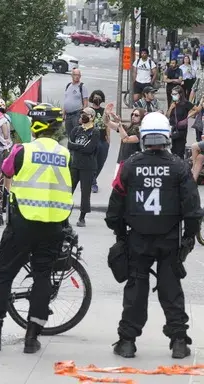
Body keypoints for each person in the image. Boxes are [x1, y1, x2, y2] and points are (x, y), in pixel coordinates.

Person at [105, 112, 203, 359]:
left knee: (136, 289)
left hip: (137, 238)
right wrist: (189, 238)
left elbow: (114, 209)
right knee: (171, 290)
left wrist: (120, 236)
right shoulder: (180, 168)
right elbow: (193, 209)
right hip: (170, 239)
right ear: (167, 137)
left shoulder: (129, 167)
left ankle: (127, 341)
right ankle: (179, 341)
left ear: (144, 137)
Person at [0, 103, 73, 354]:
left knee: (3, 273)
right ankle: (32, 338)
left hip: (22, 222)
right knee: (43, 276)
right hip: (54, 224)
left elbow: (6, 170)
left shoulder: (23, 150)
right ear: (56, 128)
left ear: (34, 126)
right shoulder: (66, 155)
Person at [68, 107, 99, 227]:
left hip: (88, 166)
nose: (82, 116)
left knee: (85, 193)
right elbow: (70, 144)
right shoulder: (76, 130)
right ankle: (64, 214)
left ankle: (82, 218)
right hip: (75, 165)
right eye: (82, 114)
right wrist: (80, 147)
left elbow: (90, 148)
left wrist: (77, 146)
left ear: (91, 117)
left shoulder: (94, 132)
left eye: (85, 114)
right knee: (68, 190)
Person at [105, 107, 145, 176]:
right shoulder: (127, 128)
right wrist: (106, 114)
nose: (133, 116)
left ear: (142, 117)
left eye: (136, 115)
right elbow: (107, 122)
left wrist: (119, 124)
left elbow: (126, 139)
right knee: (117, 185)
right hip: (121, 162)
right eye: (132, 114)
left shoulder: (141, 131)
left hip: (133, 164)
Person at [166, 85, 199, 159]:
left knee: (180, 150)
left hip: (181, 129)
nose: (173, 96)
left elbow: (196, 109)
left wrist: (188, 116)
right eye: (172, 94)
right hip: (172, 128)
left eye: (175, 94)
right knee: (172, 150)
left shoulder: (185, 103)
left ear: (180, 94)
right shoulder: (173, 103)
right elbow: (167, 116)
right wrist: (170, 108)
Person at [88, 90, 109, 193]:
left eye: (99, 98)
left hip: (103, 139)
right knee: (93, 162)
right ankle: (93, 182)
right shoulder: (88, 110)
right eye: (96, 97)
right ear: (92, 98)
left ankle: (93, 179)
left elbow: (107, 124)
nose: (97, 99)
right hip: (92, 140)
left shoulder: (104, 111)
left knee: (101, 162)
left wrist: (108, 138)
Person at [63, 69, 89, 139]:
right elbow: (66, 100)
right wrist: (63, 113)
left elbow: (85, 102)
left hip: (77, 114)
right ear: (72, 75)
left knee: (77, 134)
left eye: (78, 75)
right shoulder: (68, 86)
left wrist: (83, 116)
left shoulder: (82, 87)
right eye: (75, 75)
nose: (77, 77)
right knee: (69, 134)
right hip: (68, 115)